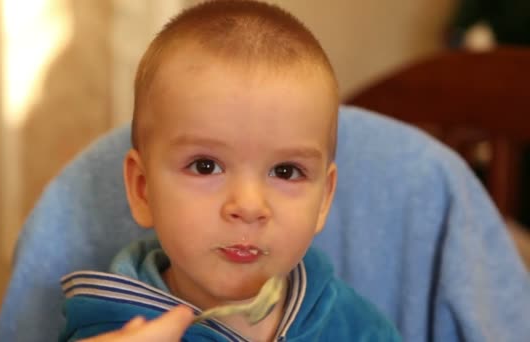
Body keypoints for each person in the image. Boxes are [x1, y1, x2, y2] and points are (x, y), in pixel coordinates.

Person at [59, 1, 401, 341]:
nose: (250, 206)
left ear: (324, 199)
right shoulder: (110, 329)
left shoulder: (357, 327)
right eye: (205, 166)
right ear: (142, 188)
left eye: (285, 171)